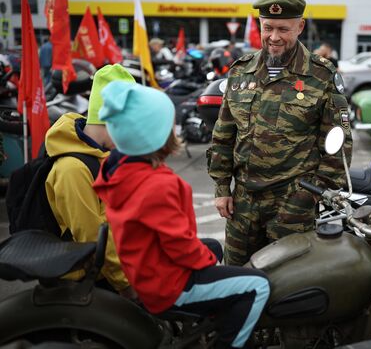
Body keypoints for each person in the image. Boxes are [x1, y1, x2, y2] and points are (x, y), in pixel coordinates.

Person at [93, 81, 270, 349]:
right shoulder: (157, 186)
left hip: (145, 270)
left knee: (211, 246)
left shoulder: (117, 170)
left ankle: (209, 320)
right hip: (168, 287)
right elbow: (179, 246)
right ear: (157, 134)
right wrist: (208, 263)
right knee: (258, 285)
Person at [207, 0, 353, 266]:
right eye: (268, 27)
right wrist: (222, 187)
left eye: (283, 29)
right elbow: (224, 134)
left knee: (289, 282)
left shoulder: (321, 76)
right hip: (242, 201)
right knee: (237, 278)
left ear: (300, 27)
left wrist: (311, 195)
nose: (274, 37)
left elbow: (339, 143)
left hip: (292, 202)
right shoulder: (240, 71)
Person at [44, 64, 136, 298]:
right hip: (96, 275)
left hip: (120, 259)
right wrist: (128, 287)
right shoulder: (72, 169)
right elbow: (92, 239)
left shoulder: (102, 155)